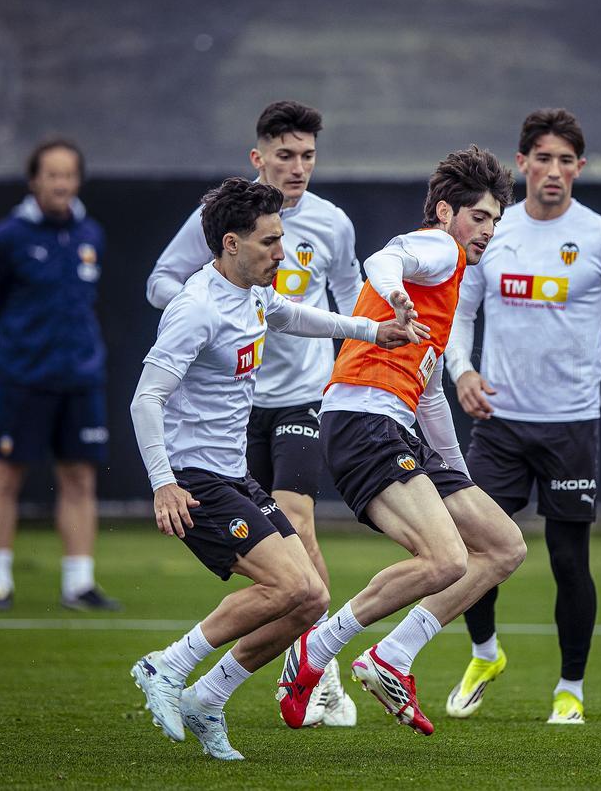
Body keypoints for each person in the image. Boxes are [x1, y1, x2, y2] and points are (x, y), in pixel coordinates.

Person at [128, 178, 418, 761]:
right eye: (269, 242)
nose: (281, 253)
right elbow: (144, 400)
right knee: (288, 585)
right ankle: (166, 666)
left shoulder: (255, 293)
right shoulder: (195, 309)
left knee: (310, 598)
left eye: (282, 238)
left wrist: (373, 331)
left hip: (234, 476)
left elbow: (291, 315)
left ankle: (208, 697)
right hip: (194, 480)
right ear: (230, 244)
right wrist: (163, 484)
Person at [276, 146, 528, 737]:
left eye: (495, 220)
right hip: (363, 419)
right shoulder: (436, 249)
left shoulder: (451, 277)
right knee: (446, 559)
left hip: (396, 424)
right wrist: (394, 297)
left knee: (504, 546)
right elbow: (382, 258)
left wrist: (458, 475)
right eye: (480, 217)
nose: (488, 230)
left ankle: (392, 655)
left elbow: (433, 393)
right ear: (446, 212)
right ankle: (315, 650)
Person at [443, 108, 601, 725]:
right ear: (521, 164)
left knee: (569, 561)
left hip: (572, 426)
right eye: (542, 159)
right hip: (498, 425)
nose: (554, 171)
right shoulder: (494, 232)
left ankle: (569, 688)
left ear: (580, 167)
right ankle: (485, 654)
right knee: (477, 549)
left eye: (565, 160)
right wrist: (462, 370)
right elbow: (457, 314)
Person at [146, 100, 362, 727]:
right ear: (258, 157)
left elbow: (317, 307)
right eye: (286, 155)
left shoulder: (330, 225)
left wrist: (371, 336)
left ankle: (311, 674)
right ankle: (183, 668)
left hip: (298, 397)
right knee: (295, 583)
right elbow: (164, 285)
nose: (298, 167)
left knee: (302, 544)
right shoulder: (216, 254)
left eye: (308, 156)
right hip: (224, 429)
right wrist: (209, 314)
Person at [0, 137, 120, 612]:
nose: (61, 183)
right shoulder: (8, 236)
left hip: (81, 377)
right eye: (52, 174)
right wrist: (27, 344)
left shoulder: (90, 234)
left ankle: (78, 584)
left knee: (79, 477)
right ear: (34, 179)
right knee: (6, 474)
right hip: (24, 376)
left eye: (69, 174)